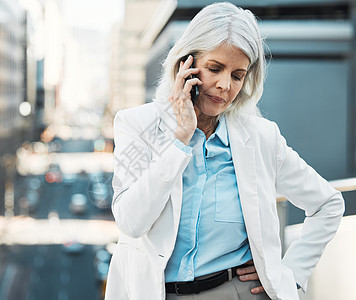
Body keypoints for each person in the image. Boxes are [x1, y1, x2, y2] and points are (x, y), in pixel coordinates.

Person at [104, 2, 344, 300]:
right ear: (185, 65)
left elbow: (328, 204)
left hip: (238, 292)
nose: (224, 86)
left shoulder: (261, 137)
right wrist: (179, 140)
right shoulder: (135, 125)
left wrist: (289, 273)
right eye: (214, 68)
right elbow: (131, 222)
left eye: (237, 75)